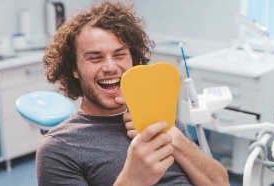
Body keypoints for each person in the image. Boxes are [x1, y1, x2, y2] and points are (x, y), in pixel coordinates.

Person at [37, 1, 229, 185]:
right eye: (95, 58)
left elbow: (220, 183)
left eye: (120, 55)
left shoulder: (160, 117)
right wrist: (133, 180)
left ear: (133, 60)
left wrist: (172, 136)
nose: (110, 67)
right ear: (74, 69)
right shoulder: (58, 148)